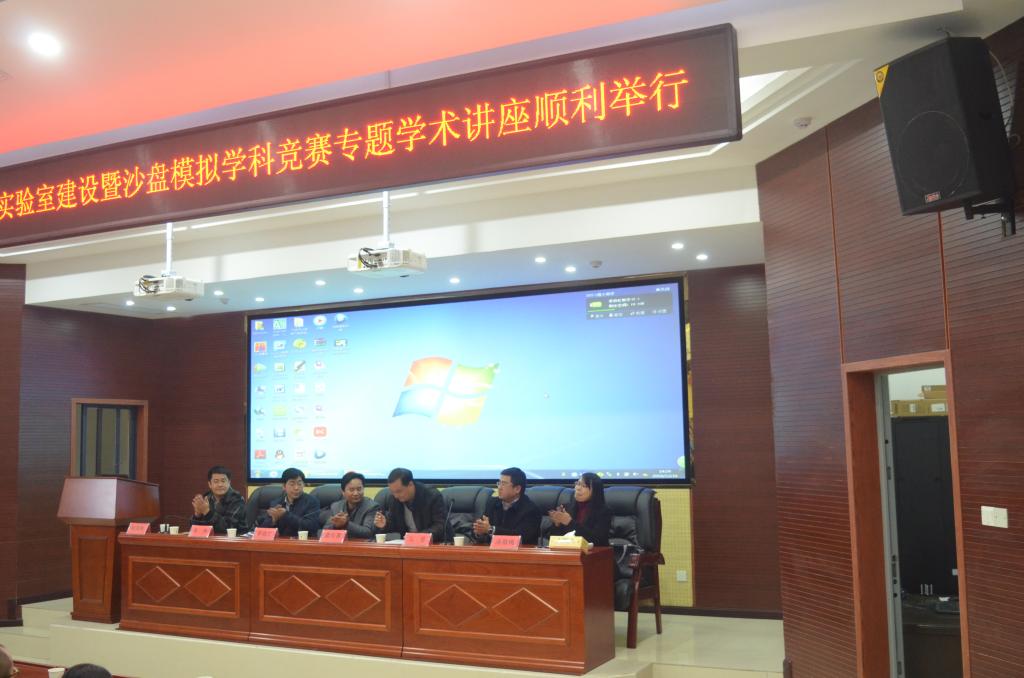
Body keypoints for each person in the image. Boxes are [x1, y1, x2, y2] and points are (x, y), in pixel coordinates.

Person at [373, 467, 445, 542]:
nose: (396, 496)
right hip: (408, 544)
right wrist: (385, 524)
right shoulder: (394, 499)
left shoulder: (431, 496)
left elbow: (440, 525)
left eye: (399, 491)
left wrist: (417, 537)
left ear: (410, 484)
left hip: (435, 543)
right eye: (393, 492)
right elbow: (394, 524)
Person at [473, 467, 542, 545]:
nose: (499, 487)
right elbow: (481, 531)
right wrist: (479, 532)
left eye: (504, 484)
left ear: (517, 489)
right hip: (492, 551)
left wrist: (491, 530)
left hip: (520, 552)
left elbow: (521, 537)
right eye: (499, 483)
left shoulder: (531, 510)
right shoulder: (492, 503)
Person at [547, 472, 612, 546]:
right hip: (567, 550)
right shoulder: (566, 508)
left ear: (595, 491)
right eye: (578, 484)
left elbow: (597, 540)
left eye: (584, 486)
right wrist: (557, 525)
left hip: (593, 551)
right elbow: (552, 540)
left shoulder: (604, 511)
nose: (578, 488)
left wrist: (570, 522)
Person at [256, 467, 320, 537]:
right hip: (281, 542)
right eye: (292, 484)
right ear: (284, 486)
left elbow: (311, 527)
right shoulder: (276, 503)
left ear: (303, 485)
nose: (296, 488)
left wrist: (286, 515)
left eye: (299, 484)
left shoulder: (311, 502)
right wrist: (272, 521)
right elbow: (261, 531)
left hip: (302, 542)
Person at [319, 471, 378, 539]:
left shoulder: (372, 507)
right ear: (343, 492)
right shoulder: (336, 506)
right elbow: (324, 532)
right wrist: (335, 526)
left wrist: (346, 524)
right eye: (351, 490)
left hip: (361, 544)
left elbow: (368, 533)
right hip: (341, 544)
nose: (356, 493)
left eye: (359, 489)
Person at [190, 465, 246, 533]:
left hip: (235, 538)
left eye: (223, 481)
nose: (220, 485)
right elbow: (195, 531)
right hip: (210, 538)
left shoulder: (237, 500)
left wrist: (207, 512)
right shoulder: (207, 498)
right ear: (210, 484)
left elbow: (229, 528)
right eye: (216, 481)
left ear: (229, 482)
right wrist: (197, 515)